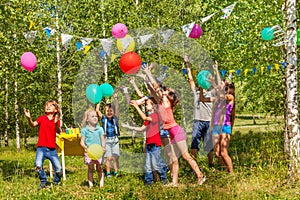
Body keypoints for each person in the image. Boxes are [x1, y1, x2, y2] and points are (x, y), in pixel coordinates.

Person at [144, 64, 206, 186]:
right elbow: (152, 90)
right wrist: (145, 77)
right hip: (167, 131)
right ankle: (174, 182)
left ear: (169, 95)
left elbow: (156, 88)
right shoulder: (161, 100)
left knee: (186, 155)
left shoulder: (166, 100)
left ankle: (200, 175)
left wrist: (149, 73)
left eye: (166, 90)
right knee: (173, 158)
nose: (164, 89)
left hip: (175, 130)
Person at [121, 97, 168, 186]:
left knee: (156, 164)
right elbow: (141, 128)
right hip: (148, 144)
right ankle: (148, 182)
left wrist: (136, 106)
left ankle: (164, 179)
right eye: (145, 105)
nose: (146, 106)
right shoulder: (149, 118)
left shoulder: (155, 116)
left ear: (153, 106)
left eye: (147, 104)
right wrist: (128, 127)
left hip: (155, 144)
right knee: (147, 165)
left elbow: (144, 117)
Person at [24, 100, 63, 189]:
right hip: (41, 148)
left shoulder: (56, 120)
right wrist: (29, 118)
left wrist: (56, 122)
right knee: (38, 165)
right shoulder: (42, 118)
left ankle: (56, 182)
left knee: (59, 170)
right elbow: (33, 124)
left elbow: (58, 131)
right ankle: (43, 180)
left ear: (56, 110)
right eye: (46, 106)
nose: (48, 107)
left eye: (50, 105)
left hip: (52, 149)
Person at [184, 55, 214, 168]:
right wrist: (187, 64)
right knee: (194, 145)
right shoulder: (196, 91)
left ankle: (211, 165)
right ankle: (194, 167)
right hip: (198, 121)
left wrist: (214, 71)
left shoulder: (212, 92)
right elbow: (190, 78)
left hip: (208, 121)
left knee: (209, 146)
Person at [96, 92, 120, 178]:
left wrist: (115, 98)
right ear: (104, 112)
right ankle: (108, 172)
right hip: (106, 140)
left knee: (116, 157)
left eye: (111, 111)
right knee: (108, 158)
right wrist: (98, 100)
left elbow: (117, 107)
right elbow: (97, 111)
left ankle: (116, 172)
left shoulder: (115, 118)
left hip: (115, 139)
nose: (109, 112)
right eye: (107, 111)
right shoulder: (103, 119)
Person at [80, 109, 106, 188]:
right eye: (92, 116)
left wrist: (103, 147)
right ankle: (91, 185)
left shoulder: (100, 129)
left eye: (96, 116)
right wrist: (85, 147)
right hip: (89, 152)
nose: (95, 118)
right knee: (90, 168)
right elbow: (82, 142)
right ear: (87, 119)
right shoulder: (84, 130)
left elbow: (103, 140)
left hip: (98, 152)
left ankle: (101, 185)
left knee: (99, 168)